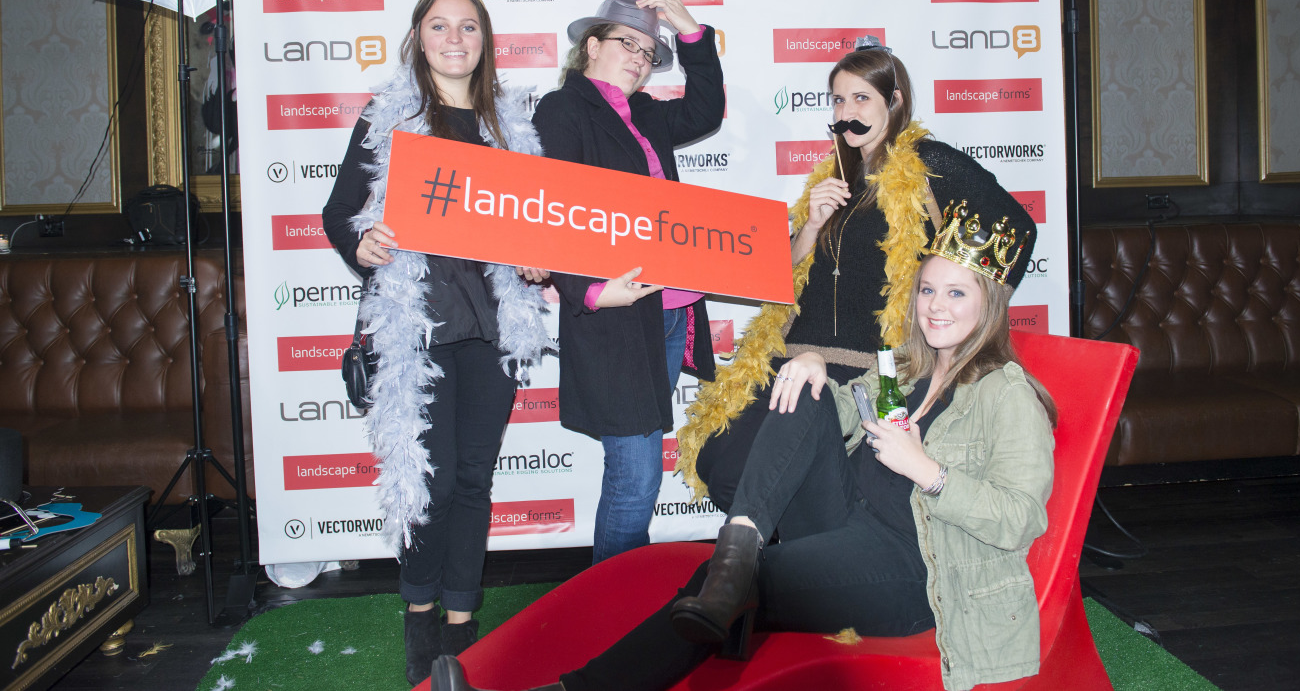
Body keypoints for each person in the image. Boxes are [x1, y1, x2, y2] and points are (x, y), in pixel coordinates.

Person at [431, 197, 1058, 691]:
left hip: (915, 567)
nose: (935, 307)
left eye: (956, 293)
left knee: (722, 586)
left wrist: (928, 471)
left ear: (990, 304)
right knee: (806, 389)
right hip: (848, 517)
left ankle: (583, 680)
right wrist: (814, 365)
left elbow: (1021, 520)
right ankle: (742, 542)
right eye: (927, 289)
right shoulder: (906, 367)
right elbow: (844, 410)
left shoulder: (1006, 394)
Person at [675, 37, 1037, 511]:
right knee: (718, 461)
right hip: (789, 356)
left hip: (860, 367)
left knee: (751, 473)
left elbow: (1018, 229)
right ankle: (791, 550)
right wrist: (811, 226)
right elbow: (781, 274)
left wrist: (968, 311)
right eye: (838, 100)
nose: (847, 112)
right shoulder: (835, 175)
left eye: (861, 98)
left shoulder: (931, 165)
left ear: (895, 101)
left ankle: (797, 552)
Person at [321, 0, 552, 686]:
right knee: (435, 482)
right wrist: (361, 243)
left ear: (485, 41)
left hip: (492, 325)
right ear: (418, 39)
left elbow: (537, 225)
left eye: (469, 26)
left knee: (475, 479)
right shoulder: (388, 117)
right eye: (440, 26)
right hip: (417, 329)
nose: (455, 38)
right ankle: (419, 612)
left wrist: (538, 261)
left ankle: (461, 620)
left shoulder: (511, 126)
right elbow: (339, 211)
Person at [531, 0, 725, 564]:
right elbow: (549, 213)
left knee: (637, 471)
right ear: (591, 46)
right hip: (616, 317)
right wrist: (589, 291)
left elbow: (706, 110)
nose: (640, 59)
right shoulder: (562, 110)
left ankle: (614, 593)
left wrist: (690, 33)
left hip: (670, 310)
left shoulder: (646, 112)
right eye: (628, 44)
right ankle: (611, 601)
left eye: (648, 52)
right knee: (636, 476)